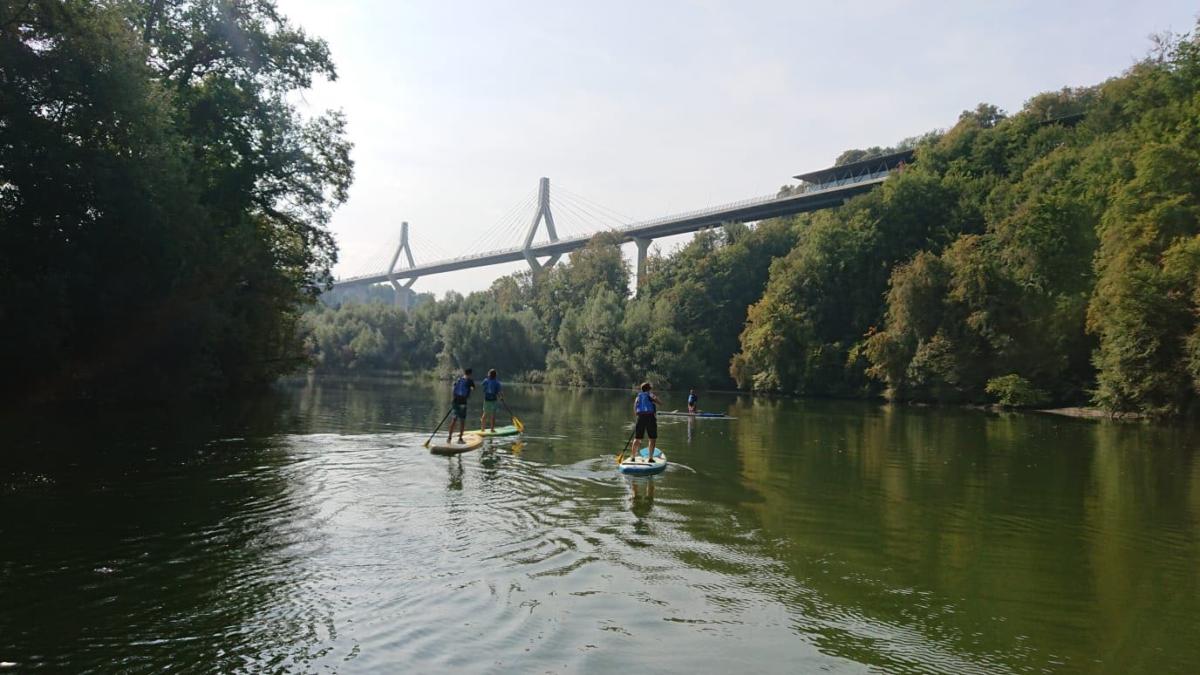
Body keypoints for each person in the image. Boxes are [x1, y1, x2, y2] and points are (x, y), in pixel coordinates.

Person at [628, 382, 661, 461]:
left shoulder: (638, 396)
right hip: (650, 418)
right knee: (652, 438)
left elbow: (635, 406)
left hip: (640, 417)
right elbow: (660, 403)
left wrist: (636, 414)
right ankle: (650, 458)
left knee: (637, 438)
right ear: (649, 389)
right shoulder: (650, 394)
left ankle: (632, 456)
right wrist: (655, 399)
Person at [447, 367, 475, 443]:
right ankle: (460, 439)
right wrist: (471, 389)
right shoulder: (470, 381)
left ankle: (449, 438)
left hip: (455, 401)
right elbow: (473, 388)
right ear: (470, 374)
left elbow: (454, 390)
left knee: (454, 419)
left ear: (464, 373)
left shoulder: (459, 379)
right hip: (463, 403)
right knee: (462, 421)